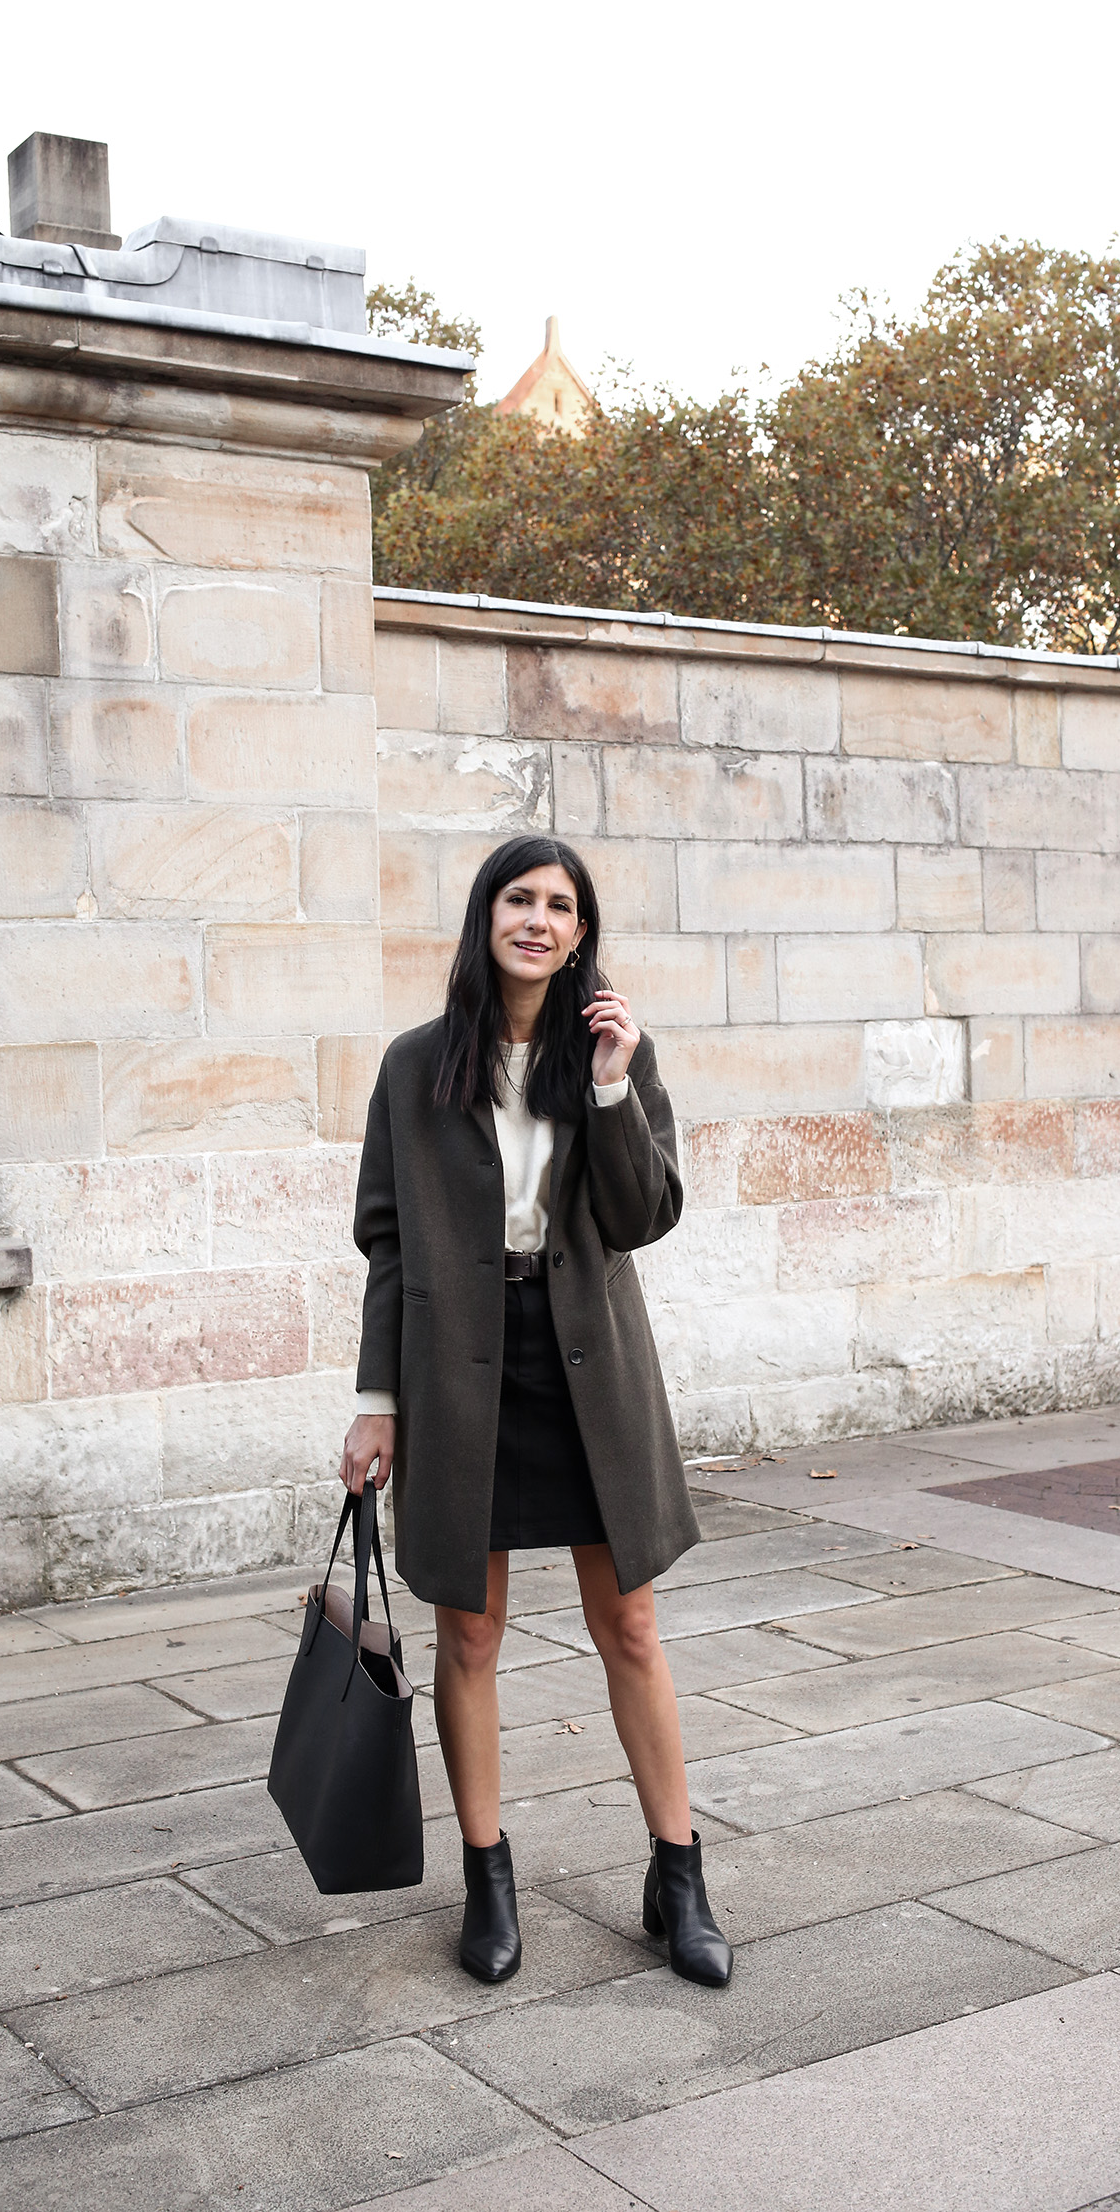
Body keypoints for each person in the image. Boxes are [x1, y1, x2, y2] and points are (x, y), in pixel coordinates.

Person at [340, 834, 732, 1990]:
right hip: (459, 1372)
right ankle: (487, 1875)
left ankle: (679, 1874)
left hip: (590, 1369)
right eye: (521, 898)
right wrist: (376, 1401)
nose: (540, 919)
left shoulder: (612, 1054)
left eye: (562, 906)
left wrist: (613, 1083)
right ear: (488, 916)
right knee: (469, 1631)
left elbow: (645, 1211)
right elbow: (386, 1241)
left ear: (579, 934)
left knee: (634, 1628)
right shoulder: (416, 1068)